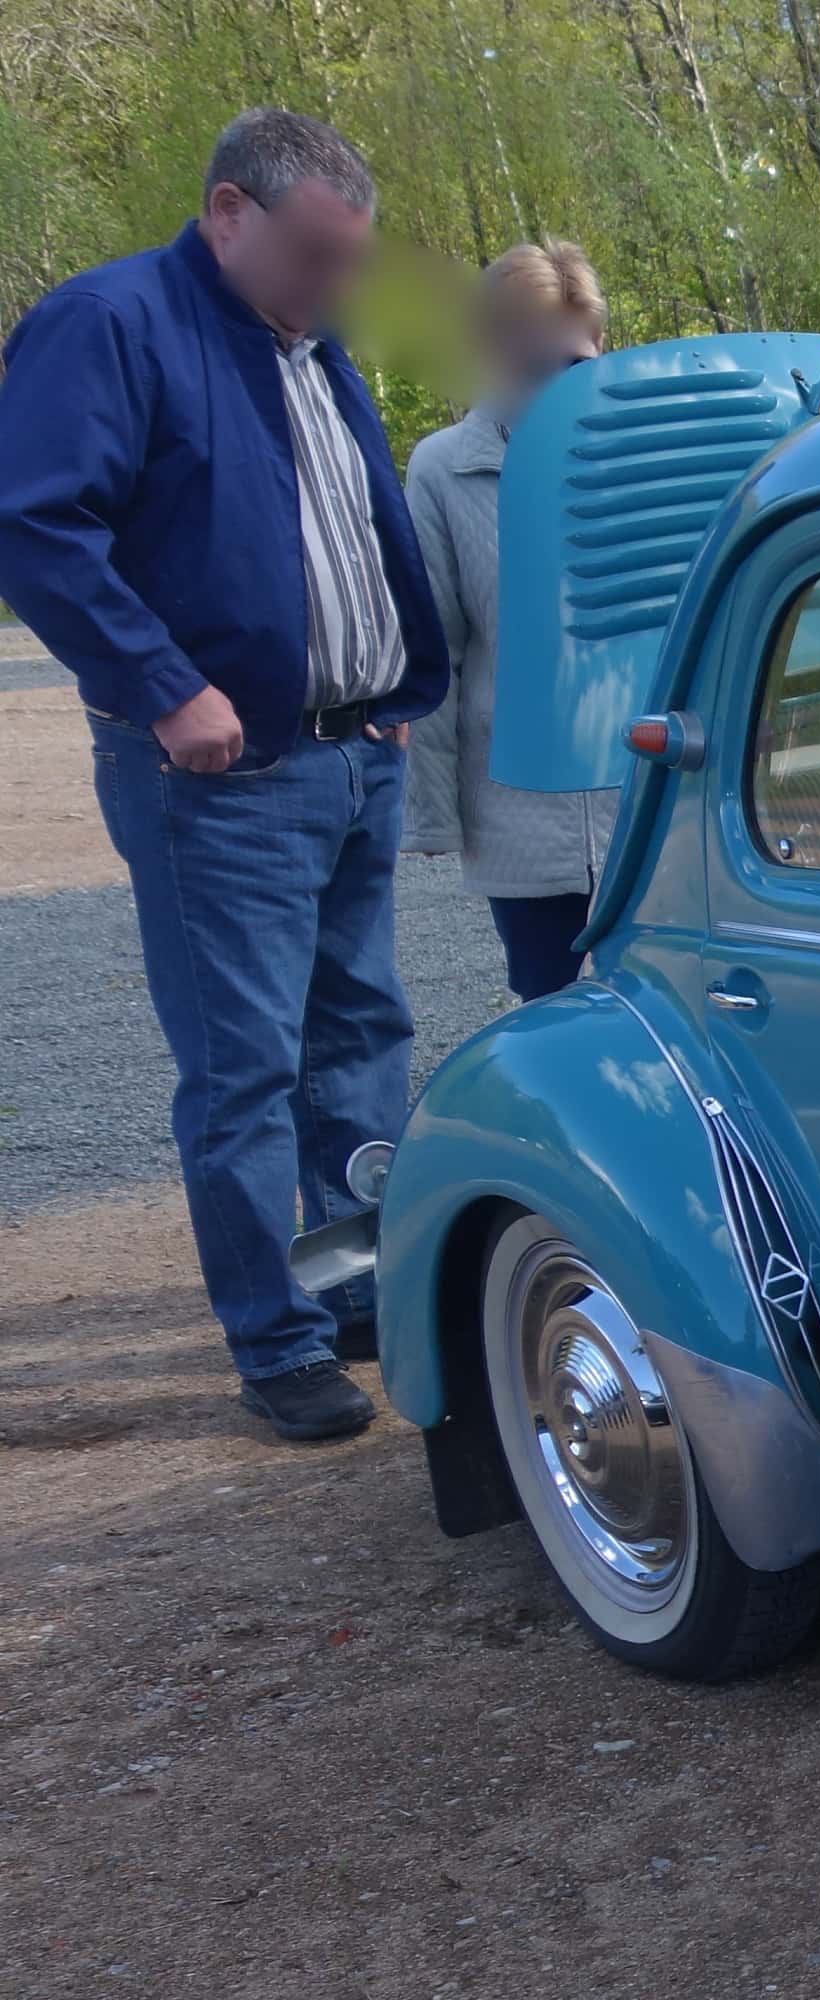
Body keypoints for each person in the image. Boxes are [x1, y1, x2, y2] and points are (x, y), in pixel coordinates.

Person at [0, 108, 448, 1444]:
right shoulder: (110, 324)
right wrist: (161, 685)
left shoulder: (303, 338)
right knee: (246, 1071)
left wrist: (389, 688)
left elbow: (341, 525)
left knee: (361, 1038)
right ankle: (276, 1337)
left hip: (349, 753)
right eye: (312, 255)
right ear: (225, 214)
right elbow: (33, 526)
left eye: (349, 263)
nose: (333, 286)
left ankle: (356, 1281)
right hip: (220, 776)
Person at [405, 240, 614, 1001]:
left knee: (672, 1007)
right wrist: (432, 814)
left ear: (600, 347)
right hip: (520, 802)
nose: (552, 389)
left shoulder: (645, 453)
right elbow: (436, 646)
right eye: (531, 368)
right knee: (550, 1003)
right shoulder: (440, 469)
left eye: (571, 366)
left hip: (650, 794)